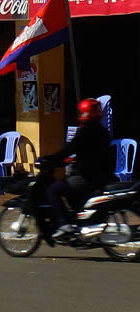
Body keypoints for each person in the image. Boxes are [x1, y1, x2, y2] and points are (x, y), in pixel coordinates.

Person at [45, 98, 115, 241]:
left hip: (86, 176)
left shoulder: (86, 132)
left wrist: (49, 159)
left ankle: (64, 225)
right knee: (71, 194)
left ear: (85, 113)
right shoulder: (102, 131)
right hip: (101, 176)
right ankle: (77, 221)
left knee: (53, 190)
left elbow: (69, 150)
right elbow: (87, 153)